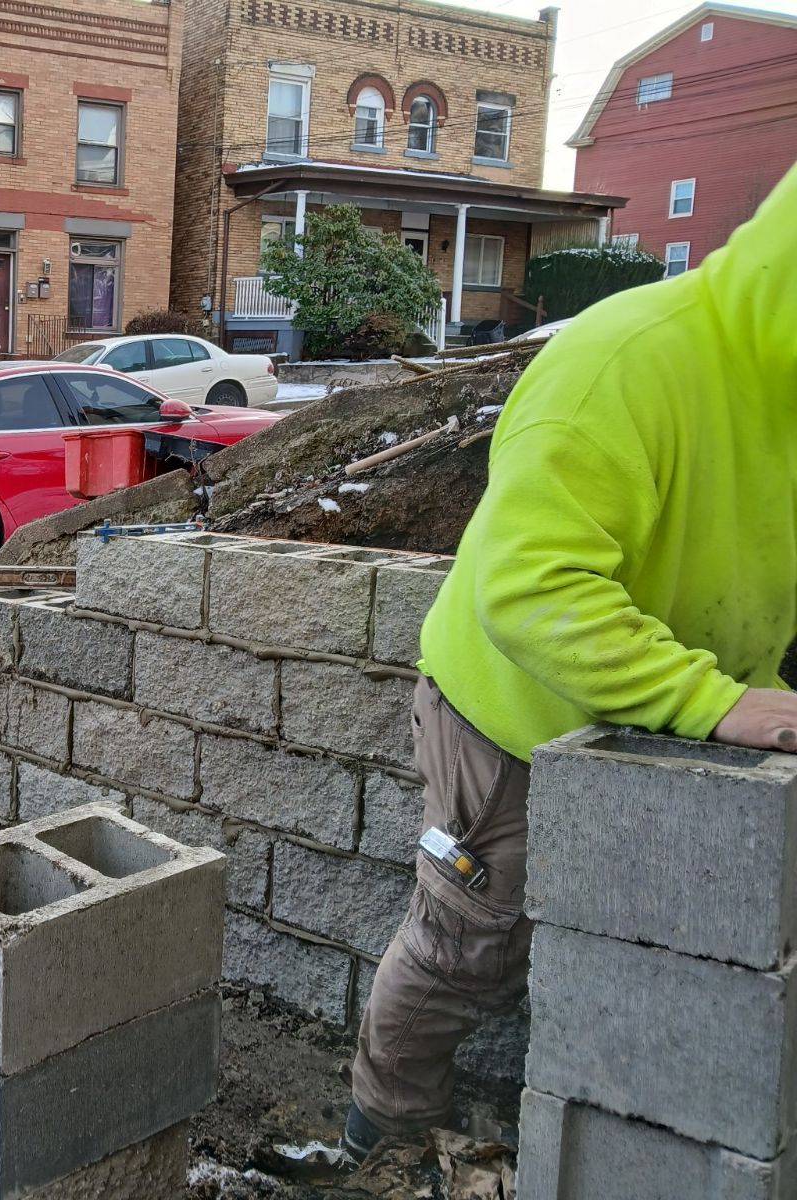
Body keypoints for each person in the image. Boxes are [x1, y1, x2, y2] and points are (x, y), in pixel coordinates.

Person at [344, 161, 797, 1161]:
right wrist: (709, 701)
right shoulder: (628, 365)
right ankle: (384, 1127)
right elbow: (531, 591)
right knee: (472, 940)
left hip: (662, 709)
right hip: (512, 714)